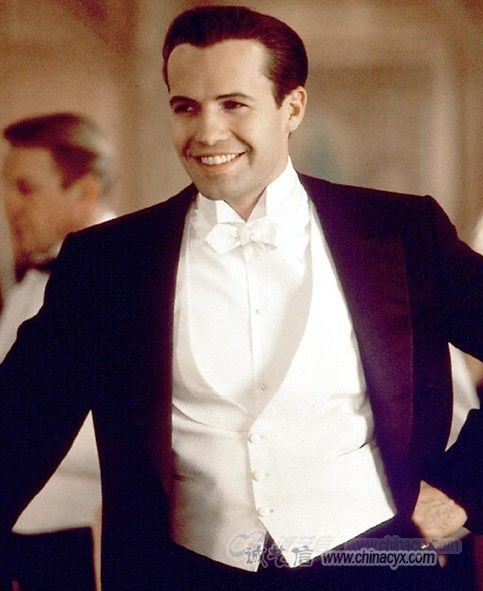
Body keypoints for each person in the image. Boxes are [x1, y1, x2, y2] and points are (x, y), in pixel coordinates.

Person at [1, 6, 483, 590]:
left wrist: (464, 486)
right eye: (186, 107)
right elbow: (17, 427)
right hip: (186, 576)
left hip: (378, 568)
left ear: (292, 108)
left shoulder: (402, 232)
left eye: (233, 104)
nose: (207, 133)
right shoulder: (108, 263)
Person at [0, 112, 115, 590]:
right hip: (21, 537)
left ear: (85, 192)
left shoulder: (122, 277)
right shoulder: (34, 276)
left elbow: (109, 432)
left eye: (25, 188)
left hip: (81, 543)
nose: (9, 206)